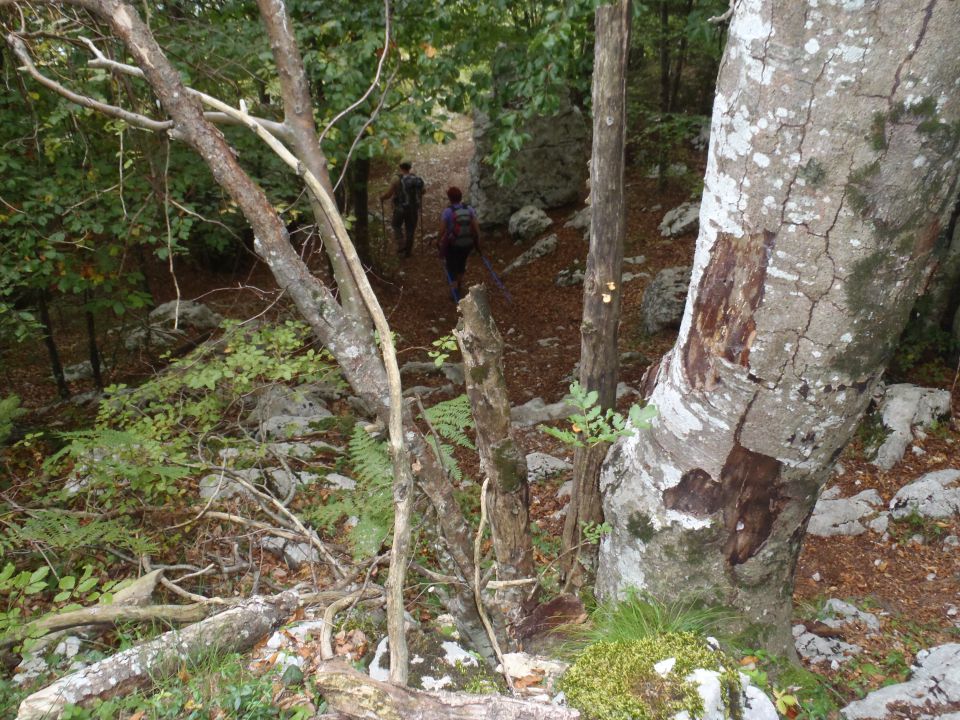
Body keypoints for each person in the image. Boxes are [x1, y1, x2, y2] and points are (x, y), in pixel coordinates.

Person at [438, 186, 480, 300]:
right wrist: (477, 242)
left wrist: (438, 241)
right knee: (461, 264)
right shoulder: (469, 209)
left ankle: (454, 291)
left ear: (449, 198)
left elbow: (442, 230)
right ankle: (459, 284)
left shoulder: (448, 211)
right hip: (467, 243)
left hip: (453, 244)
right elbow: (476, 227)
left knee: (451, 267)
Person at [380, 161, 424, 257]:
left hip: (400, 208)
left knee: (396, 225)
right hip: (413, 209)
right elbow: (423, 191)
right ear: (410, 167)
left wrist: (382, 198)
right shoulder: (416, 179)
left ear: (400, 167)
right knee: (410, 229)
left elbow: (389, 193)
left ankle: (401, 244)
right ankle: (408, 252)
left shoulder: (396, 178)